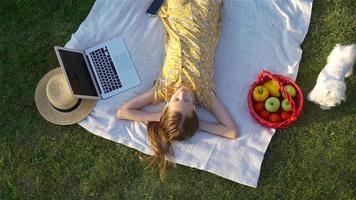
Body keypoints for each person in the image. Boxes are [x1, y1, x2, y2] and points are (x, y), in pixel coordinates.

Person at [117, 0, 238, 180]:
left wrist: (158, 117)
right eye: (187, 101)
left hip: (178, 14)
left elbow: (123, 112)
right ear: (195, 109)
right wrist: (198, 125)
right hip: (205, 14)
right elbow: (231, 131)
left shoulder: (164, 90)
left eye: (176, 100)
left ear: (166, 107)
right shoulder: (204, 94)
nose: (181, 94)